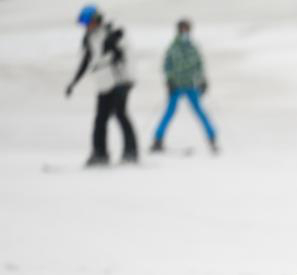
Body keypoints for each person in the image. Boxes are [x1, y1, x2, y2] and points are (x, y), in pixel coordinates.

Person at [65, 4, 138, 166]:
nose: (86, 26)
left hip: (121, 81)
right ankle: (100, 154)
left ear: (96, 19)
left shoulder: (113, 33)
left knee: (120, 114)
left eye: (87, 22)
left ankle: (131, 152)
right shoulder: (89, 38)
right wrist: (73, 83)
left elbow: (127, 56)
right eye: (83, 23)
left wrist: (128, 78)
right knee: (100, 119)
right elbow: (86, 61)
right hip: (103, 83)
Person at [150, 19, 218, 153]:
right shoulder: (172, 48)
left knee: (200, 112)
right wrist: (169, 81)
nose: (185, 32)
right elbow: (166, 66)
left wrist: (203, 80)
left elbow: (199, 65)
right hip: (176, 86)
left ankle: (212, 138)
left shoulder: (193, 47)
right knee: (169, 112)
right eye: (183, 29)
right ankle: (158, 139)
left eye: (187, 29)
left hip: (191, 85)